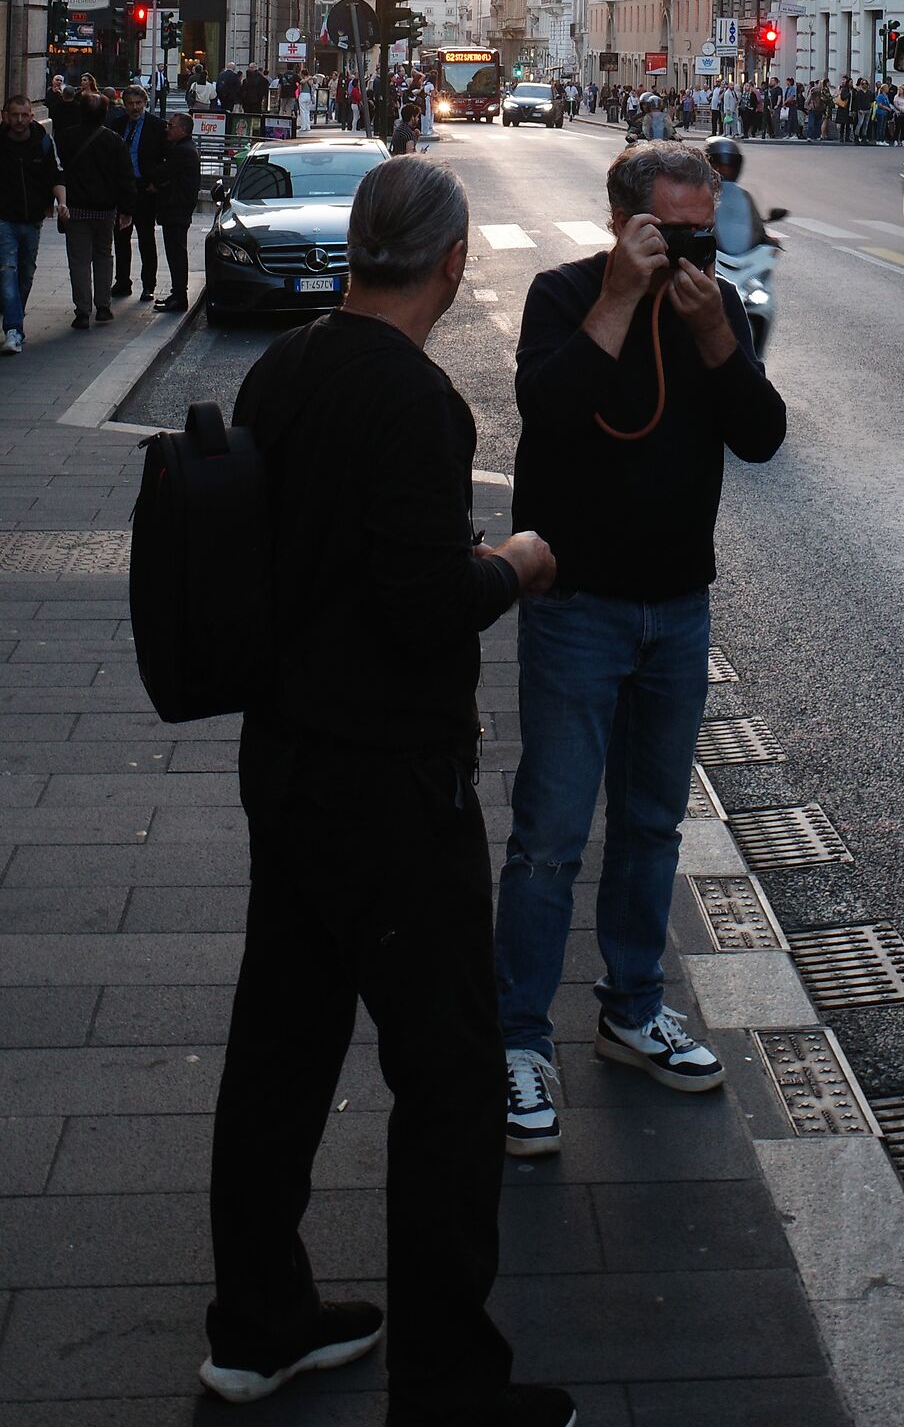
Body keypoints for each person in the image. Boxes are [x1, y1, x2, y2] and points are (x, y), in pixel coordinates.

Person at [206, 159, 569, 1426]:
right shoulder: (417, 405)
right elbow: (424, 607)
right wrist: (513, 565)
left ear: (362, 250)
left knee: (281, 1054)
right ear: (454, 262)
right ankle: (451, 1381)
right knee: (453, 1076)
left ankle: (255, 1326)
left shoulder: (286, 367)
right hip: (390, 784)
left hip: (285, 760)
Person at [496, 142, 786, 1157]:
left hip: (678, 608)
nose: (692, 250)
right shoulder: (563, 293)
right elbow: (549, 411)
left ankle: (631, 1008)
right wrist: (621, 297)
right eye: (672, 232)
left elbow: (761, 436)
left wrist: (717, 338)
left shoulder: (716, 309)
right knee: (551, 834)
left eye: (705, 230)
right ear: (623, 222)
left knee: (654, 826)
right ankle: (518, 1038)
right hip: (579, 607)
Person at [53, 86, 136, 327]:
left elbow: (58, 171)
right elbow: (125, 177)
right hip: (105, 209)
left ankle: (82, 310)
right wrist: (127, 209)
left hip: (75, 207)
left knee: (78, 260)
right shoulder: (114, 140)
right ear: (104, 113)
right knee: (103, 255)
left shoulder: (66, 137)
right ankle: (103, 306)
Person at [0, 93, 67, 353]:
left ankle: (15, 316)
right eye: (14, 115)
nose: (19, 120)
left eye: (24, 115)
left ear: (31, 116)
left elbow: (55, 174)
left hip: (33, 219)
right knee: (7, 270)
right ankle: (14, 330)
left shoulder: (42, 141)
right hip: (4, 217)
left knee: (25, 275)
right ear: (6, 116)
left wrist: (62, 203)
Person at [111, 85, 163, 302]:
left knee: (146, 238)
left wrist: (158, 183)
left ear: (145, 103)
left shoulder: (157, 126)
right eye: (130, 103)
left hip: (145, 188)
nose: (134, 107)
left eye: (138, 103)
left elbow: (166, 158)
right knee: (121, 237)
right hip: (122, 188)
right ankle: (122, 281)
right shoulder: (117, 124)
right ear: (124, 104)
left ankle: (148, 285)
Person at [152, 113, 201, 313]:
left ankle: (179, 296)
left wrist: (159, 185)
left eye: (171, 126)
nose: (167, 129)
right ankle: (177, 293)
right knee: (175, 252)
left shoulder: (183, 151)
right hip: (177, 208)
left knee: (176, 253)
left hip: (176, 208)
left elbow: (162, 172)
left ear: (182, 129)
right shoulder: (184, 149)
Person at [705, 134, 767, 257]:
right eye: (719, 166)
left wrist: (765, 238)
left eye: (729, 167)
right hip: (711, 253)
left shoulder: (744, 196)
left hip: (742, 256)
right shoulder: (699, 195)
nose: (724, 171)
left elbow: (755, 224)